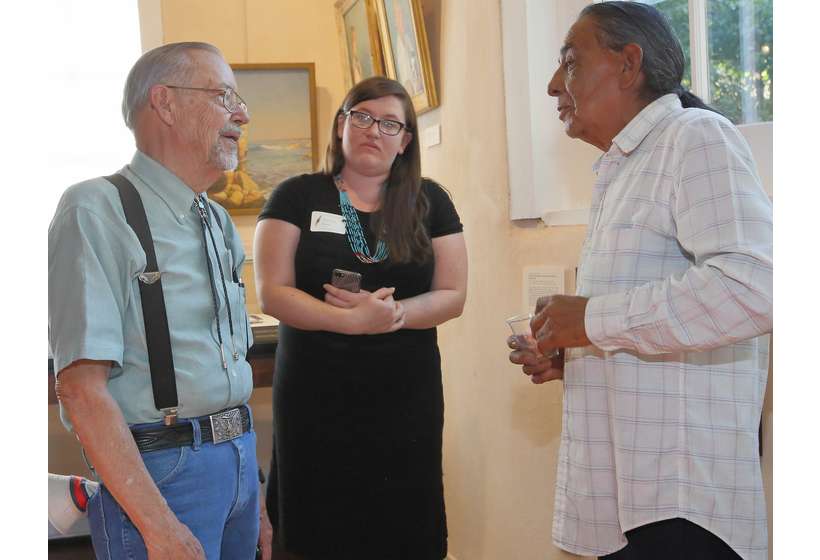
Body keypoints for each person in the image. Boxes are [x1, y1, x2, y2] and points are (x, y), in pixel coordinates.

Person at [508, 3, 772, 560]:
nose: (555, 85)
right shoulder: (622, 169)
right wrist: (572, 352)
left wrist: (590, 321)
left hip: (680, 503)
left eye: (571, 63)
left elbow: (756, 287)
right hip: (626, 502)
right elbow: (654, 322)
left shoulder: (696, 138)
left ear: (629, 65)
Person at [49, 42, 272, 560]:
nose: (242, 113)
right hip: (160, 476)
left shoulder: (216, 220)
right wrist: (158, 527)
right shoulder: (96, 209)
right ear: (165, 103)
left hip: (236, 462)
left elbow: (229, 370)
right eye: (224, 96)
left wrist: (252, 492)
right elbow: (81, 391)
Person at [254, 76, 468, 559]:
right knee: (318, 525)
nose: (375, 130)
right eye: (363, 116)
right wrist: (352, 321)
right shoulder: (296, 196)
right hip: (315, 396)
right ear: (341, 126)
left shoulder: (431, 201)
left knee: (402, 524)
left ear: (406, 141)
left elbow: (453, 295)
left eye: (390, 123)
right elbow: (272, 292)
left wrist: (389, 314)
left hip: (403, 398)